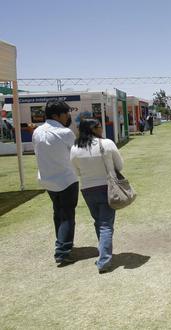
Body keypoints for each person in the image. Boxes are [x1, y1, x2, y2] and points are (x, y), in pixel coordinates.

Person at [70, 119, 124, 274]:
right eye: (100, 127)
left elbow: (76, 171)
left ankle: (103, 254)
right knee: (106, 224)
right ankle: (104, 261)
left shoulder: (75, 148)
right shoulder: (106, 144)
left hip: (87, 189)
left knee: (98, 222)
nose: (102, 129)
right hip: (106, 187)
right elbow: (120, 165)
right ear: (94, 129)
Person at [32, 100, 78, 265]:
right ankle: (63, 250)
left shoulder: (37, 132)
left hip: (47, 179)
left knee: (57, 212)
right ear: (56, 115)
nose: (68, 116)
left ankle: (61, 240)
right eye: (65, 113)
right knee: (67, 215)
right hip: (66, 178)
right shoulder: (65, 132)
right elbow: (74, 155)